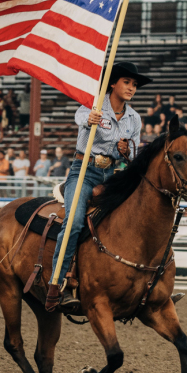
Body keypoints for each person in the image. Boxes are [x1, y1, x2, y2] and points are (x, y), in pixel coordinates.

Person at [46, 61, 151, 313]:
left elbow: (133, 155)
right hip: (84, 171)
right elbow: (80, 117)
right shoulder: (93, 105)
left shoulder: (134, 118)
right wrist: (90, 118)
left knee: (140, 218)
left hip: (113, 174)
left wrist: (127, 151)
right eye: (127, 82)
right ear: (113, 83)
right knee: (74, 223)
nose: (132, 88)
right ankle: (55, 284)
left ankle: (142, 284)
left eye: (135, 84)